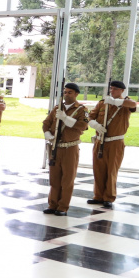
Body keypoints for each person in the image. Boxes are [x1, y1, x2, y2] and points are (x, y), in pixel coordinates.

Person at [87, 80, 137, 209]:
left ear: (122, 91)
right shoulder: (103, 103)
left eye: (115, 89)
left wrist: (115, 102)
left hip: (115, 142)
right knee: (98, 169)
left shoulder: (125, 103)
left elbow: (133, 104)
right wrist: (94, 124)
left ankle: (109, 197)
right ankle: (98, 196)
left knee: (111, 171)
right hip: (100, 140)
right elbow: (90, 117)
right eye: (111, 88)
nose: (112, 91)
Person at [42, 82, 89, 216]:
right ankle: (52, 204)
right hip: (55, 147)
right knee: (54, 178)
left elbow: (83, 125)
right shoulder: (57, 108)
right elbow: (46, 123)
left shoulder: (81, 109)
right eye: (65, 92)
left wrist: (66, 119)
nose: (66, 95)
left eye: (70, 92)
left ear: (76, 94)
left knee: (67, 179)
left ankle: (62, 207)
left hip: (70, 148)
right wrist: (47, 133)